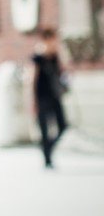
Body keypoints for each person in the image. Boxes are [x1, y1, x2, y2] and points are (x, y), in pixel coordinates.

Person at [31, 27, 67, 168]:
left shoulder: (55, 57)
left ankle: (47, 148)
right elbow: (31, 81)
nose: (54, 42)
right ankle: (47, 158)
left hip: (54, 96)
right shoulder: (36, 58)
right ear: (45, 40)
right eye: (52, 39)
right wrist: (32, 101)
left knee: (62, 125)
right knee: (44, 128)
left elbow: (62, 73)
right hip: (41, 97)